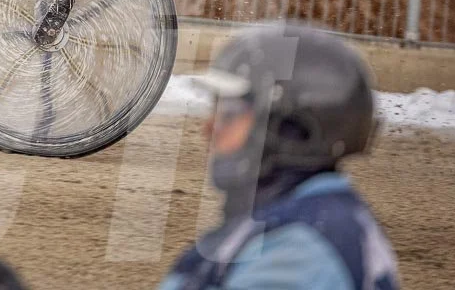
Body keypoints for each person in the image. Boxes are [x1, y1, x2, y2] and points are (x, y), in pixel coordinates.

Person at [158, 22, 399, 290]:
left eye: (230, 113)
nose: (209, 127)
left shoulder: (300, 254)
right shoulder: (303, 219)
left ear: (292, 130)